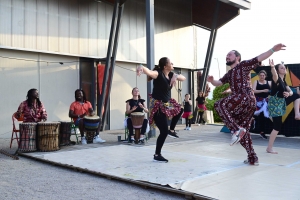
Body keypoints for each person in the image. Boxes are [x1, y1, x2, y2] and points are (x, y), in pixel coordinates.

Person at [207, 43, 286, 165]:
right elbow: (219, 83)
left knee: (219, 105)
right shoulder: (229, 74)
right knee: (244, 132)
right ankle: (252, 157)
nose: (227, 57)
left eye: (230, 55)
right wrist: (212, 81)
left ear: (237, 57)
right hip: (248, 104)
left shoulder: (243, 65)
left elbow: (259, 58)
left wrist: (273, 50)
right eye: (226, 55)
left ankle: (236, 130)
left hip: (245, 97)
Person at [136, 58, 185, 162]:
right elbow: (149, 72)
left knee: (180, 109)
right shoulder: (158, 74)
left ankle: (171, 130)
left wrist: (176, 76)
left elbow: (183, 78)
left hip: (167, 104)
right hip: (157, 106)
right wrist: (141, 67)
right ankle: (157, 154)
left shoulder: (171, 74)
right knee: (163, 132)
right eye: (170, 63)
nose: (172, 64)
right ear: (165, 66)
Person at [266, 60, 300, 154]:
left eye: (284, 67)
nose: (284, 68)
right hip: (275, 104)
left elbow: (292, 92)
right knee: (277, 127)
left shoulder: (284, 82)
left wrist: (288, 93)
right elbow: (274, 75)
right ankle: (269, 148)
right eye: (281, 67)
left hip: (281, 102)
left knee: (297, 96)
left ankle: (297, 114)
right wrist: (272, 67)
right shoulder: (277, 80)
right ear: (277, 70)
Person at [252, 70, 272, 139]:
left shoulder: (269, 82)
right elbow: (253, 91)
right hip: (257, 101)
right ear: (258, 76)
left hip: (266, 102)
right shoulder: (256, 82)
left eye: (263, 75)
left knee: (265, 117)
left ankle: (262, 132)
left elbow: (275, 88)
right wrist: (263, 90)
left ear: (265, 76)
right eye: (260, 75)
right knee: (255, 116)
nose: (262, 77)